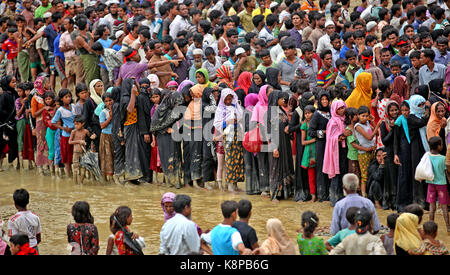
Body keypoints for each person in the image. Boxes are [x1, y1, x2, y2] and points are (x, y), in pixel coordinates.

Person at [149, 91, 185, 188]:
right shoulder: (161, 110)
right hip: (163, 138)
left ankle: (176, 182)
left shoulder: (175, 110)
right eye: (176, 103)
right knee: (168, 159)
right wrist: (165, 130)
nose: (178, 105)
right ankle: (170, 182)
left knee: (176, 158)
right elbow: (154, 126)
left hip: (174, 137)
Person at [213, 88, 245, 192]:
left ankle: (235, 183)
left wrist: (236, 120)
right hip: (227, 137)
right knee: (230, 159)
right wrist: (228, 122)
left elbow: (242, 118)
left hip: (237, 135)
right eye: (226, 99)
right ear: (222, 99)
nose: (228, 101)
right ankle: (230, 184)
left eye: (230, 99)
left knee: (238, 159)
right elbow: (217, 124)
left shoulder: (236, 107)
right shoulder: (220, 109)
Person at [267, 90, 294, 202]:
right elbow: (268, 132)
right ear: (275, 99)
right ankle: (274, 195)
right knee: (276, 168)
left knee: (285, 166)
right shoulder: (270, 113)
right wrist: (273, 148)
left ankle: (284, 192)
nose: (284, 100)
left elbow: (285, 124)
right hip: (276, 144)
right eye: (281, 98)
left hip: (285, 143)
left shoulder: (281, 110)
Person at [323, 100, 348, 206]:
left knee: (343, 173)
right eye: (340, 108)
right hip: (334, 151)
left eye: (343, 108)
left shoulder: (345, 120)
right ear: (335, 110)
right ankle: (334, 198)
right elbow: (330, 138)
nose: (342, 110)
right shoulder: (332, 122)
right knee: (336, 175)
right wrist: (341, 136)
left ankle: (341, 198)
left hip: (343, 150)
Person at [354, 106, 382, 197]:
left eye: (366, 116)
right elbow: (369, 137)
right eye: (363, 116)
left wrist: (373, 122)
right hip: (364, 154)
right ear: (358, 116)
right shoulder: (358, 126)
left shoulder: (367, 123)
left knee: (371, 173)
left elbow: (377, 133)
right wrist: (377, 125)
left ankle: (370, 195)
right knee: (364, 175)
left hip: (371, 151)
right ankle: (364, 195)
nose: (365, 118)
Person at [308, 90, 331, 202]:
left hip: (331, 144)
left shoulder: (332, 113)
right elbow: (311, 132)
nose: (325, 101)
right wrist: (324, 133)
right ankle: (322, 194)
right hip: (321, 144)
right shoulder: (317, 115)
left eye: (326, 99)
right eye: (322, 99)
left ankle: (329, 193)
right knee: (321, 168)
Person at [426, 136, 450, 232]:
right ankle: (448, 227)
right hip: (442, 185)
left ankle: (430, 228)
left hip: (431, 184)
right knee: (444, 207)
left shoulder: (427, 157)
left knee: (432, 207)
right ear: (439, 146)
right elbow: (446, 172)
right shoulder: (443, 158)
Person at [51, 89, 75, 178]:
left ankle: (73, 175)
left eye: (69, 96)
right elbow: (53, 122)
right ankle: (69, 175)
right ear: (61, 99)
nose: (68, 98)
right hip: (66, 136)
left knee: (74, 156)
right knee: (66, 158)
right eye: (66, 97)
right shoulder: (60, 110)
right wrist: (64, 128)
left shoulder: (73, 106)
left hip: (75, 135)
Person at [68, 115, 95, 184]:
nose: (76, 126)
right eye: (75, 124)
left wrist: (93, 136)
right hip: (76, 152)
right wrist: (79, 141)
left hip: (83, 153)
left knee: (83, 169)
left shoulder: (85, 131)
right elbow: (70, 142)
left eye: (78, 124)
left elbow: (90, 138)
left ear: (83, 124)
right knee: (75, 169)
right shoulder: (73, 132)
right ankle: (75, 184)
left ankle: (81, 183)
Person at [300, 105, 317, 201]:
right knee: (311, 177)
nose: (307, 115)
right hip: (309, 152)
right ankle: (313, 195)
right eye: (306, 113)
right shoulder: (304, 125)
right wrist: (314, 140)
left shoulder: (317, 123)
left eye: (309, 113)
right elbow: (303, 142)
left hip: (317, 151)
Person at [99, 92, 114, 182]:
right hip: (105, 136)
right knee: (106, 157)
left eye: (110, 100)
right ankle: (106, 178)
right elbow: (102, 126)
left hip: (113, 136)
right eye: (106, 101)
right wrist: (110, 118)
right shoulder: (103, 113)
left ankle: (112, 176)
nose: (109, 103)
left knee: (113, 156)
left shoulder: (116, 110)